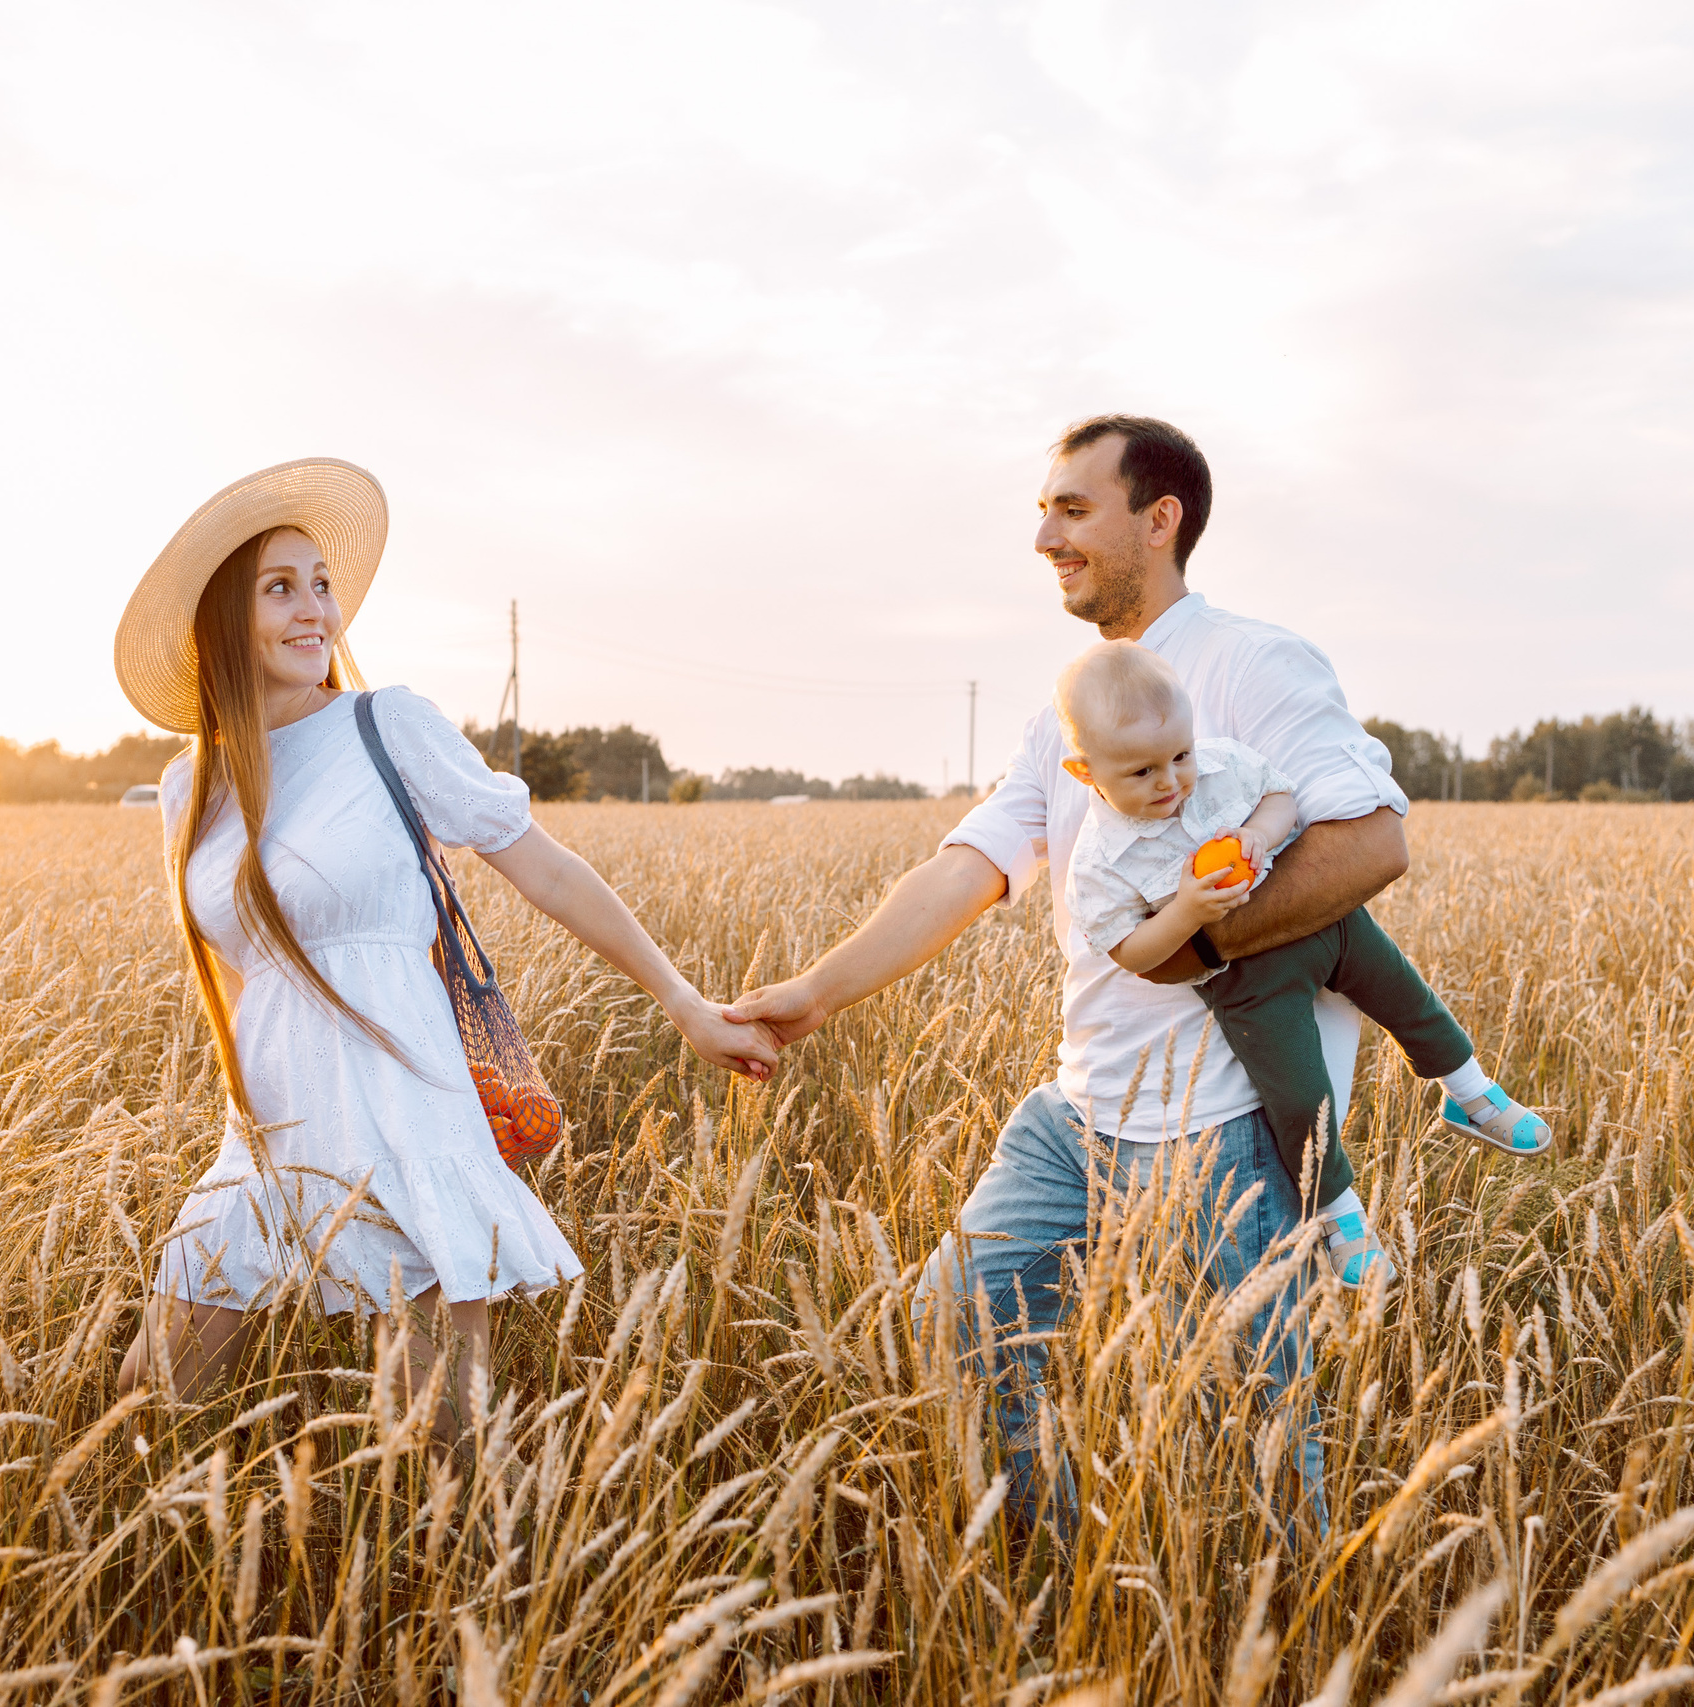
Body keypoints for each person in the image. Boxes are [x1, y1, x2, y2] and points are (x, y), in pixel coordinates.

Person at [727, 414, 1416, 1526]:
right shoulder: (1080, 703)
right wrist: (811, 996)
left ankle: (1294, 1638)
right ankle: (1065, 1579)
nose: (1044, 534)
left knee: (1263, 1429)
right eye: (1041, 510)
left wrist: (1191, 941)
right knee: (962, 1330)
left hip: (1224, 1124)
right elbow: (971, 865)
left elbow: (1371, 838)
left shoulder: (1252, 661)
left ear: (1160, 519)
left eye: (1071, 509)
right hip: (1081, 1113)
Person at [109, 460, 778, 1449]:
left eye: (321, 583)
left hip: (404, 1116)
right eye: (279, 587)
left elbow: (544, 869)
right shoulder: (188, 789)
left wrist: (679, 997)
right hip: (265, 1135)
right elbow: (250, 974)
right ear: (222, 620)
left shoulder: (387, 727)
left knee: (445, 1444)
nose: (315, 610)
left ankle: (494, 1598)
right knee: (148, 1404)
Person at [1053, 638, 1552, 1290]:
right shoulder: (1100, 861)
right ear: (1086, 773)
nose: (1172, 781)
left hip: (1325, 923)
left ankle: (1469, 1091)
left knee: (1406, 994)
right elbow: (1134, 954)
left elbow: (1280, 798)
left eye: (1181, 755)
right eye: (1143, 772)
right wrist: (1188, 910)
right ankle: (1338, 1213)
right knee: (1297, 1090)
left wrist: (1258, 835)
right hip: (1242, 978)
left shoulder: (1223, 765)